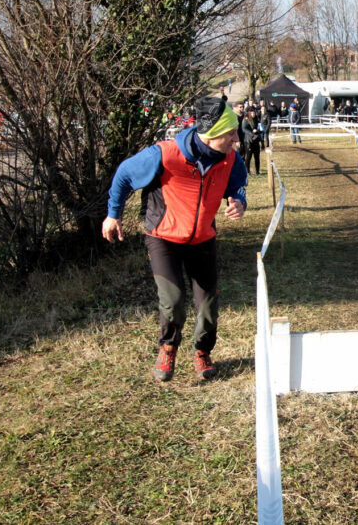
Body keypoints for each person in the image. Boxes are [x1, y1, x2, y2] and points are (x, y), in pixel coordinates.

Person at [101, 97, 248, 381]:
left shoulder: (231, 158)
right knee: (174, 300)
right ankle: (168, 347)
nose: (236, 139)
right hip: (164, 237)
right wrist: (113, 214)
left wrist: (239, 202)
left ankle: (202, 352)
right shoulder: (165, 154)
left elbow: (238, 184)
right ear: (212, 134)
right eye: (231, 133)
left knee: (207, 303)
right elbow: (124, 174)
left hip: (203, 238)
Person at [241, 107, 262, 175]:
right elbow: (244, 129)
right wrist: (251, 133)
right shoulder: (245, 120)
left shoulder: (256, 119)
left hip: (255, 140)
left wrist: (258, 131)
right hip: (248, 140)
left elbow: (258, 128)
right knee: (248, 157)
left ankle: (257, 171)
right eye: (252, 113)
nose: (254, 114)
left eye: (254, 113)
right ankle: (247, 171)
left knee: (257, 157)